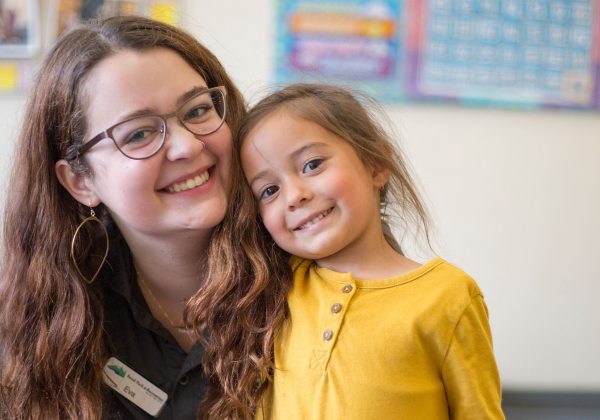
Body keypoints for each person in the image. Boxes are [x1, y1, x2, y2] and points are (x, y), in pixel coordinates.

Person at [0, 15, 288, 420]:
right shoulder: (38, 319)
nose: (187, 145)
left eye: (198, 109)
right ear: (80, 181)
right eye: (138, 133)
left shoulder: (320, 262)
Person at [230, 83, 505, 418]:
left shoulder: (447, 295)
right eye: (269, 190)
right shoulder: (272, 290)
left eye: (312, 164)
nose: (293, 196)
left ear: (376, 165)